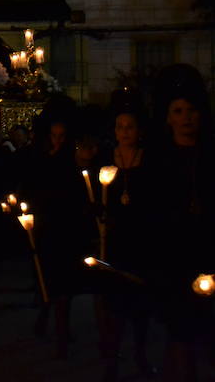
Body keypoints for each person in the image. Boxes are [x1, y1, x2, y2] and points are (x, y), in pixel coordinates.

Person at [146, 64, 215, 382]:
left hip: (208, 254)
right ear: (168, 117)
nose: (187, 117)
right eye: (179, 111)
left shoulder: (209, 155)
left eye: (192, 110)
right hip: (174, 261)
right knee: (181, 334)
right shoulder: (160, 160)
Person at [22, 118, 97, 358]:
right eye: (54, 135)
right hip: (49, 229)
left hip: (71, 229)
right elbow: (33, 189)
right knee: (55, 282)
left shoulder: (74, 162)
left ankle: (51, 320)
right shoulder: (42, 160)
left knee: (67, 284)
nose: (58, 140)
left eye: (62, 135)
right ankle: (59, 331)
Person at [97, 106, 157, 380]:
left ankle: (140, 353)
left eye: (129, 126)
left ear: (139, 130)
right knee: (114, 305)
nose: (124, 132)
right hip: (115, 239)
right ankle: (112, 358)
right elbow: (97, 199)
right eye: (120, 127)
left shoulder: (149, 160)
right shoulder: (107, 162)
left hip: (141, 240)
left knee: (139, 304)